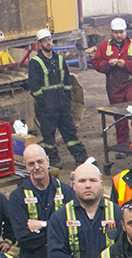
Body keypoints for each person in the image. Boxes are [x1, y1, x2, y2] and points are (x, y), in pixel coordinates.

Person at [28, 28, 88, 166]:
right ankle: (53, 161)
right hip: (47, 107)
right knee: (48, 136)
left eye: (49, 40)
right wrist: (44, 103)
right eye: (44, 41)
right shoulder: (35, 62)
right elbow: (34, 86)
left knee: (70, 133)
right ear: (40, 44)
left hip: (62, 105)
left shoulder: (60, 60)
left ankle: (82, 158)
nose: (48, 43)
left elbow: (67, 82)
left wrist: (67, 101)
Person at [90, 17, 132, 154]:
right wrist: (107, 65)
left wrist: (126, 65)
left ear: (125, 31)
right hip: (114, 85)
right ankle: (122, 146)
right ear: (112, 32)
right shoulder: (105, 47)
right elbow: (96, 63)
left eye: (121, 32)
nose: (119, 35)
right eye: (116, 32)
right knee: (119, 116)